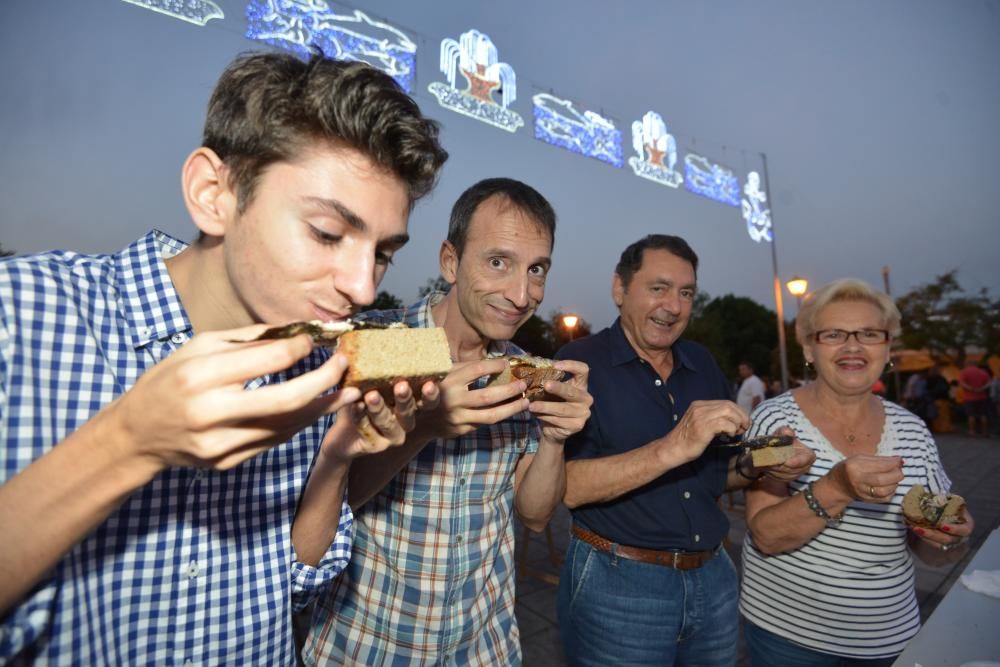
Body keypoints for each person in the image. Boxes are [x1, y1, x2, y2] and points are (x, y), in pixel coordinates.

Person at [0, 52, 449, 664]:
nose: (364, 289)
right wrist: (131, 442)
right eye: (326, 233)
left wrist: (338, 452)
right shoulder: (21, 312)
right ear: (215, 194)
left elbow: (297, 585)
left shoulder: (320, 365)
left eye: (382, 253)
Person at [303, 178, 593, 665]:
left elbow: (536, 514)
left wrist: (554, 439)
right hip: (368, 646)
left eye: (536, 270)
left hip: (483, 647)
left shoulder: (521, 368)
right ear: (451, 261)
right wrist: (426, 426)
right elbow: (327, 505)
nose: (521, 294)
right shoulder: (384, 344)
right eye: (498, 262)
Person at [555, 234, 814, 666]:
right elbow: (564, 489)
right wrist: (672, 446)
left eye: (686, 292)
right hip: (619, 583)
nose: (673, 306)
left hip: (714, 577)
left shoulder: (702, 362)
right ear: (619, 289)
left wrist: (768, 460)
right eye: (658, 288)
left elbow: (717, 473)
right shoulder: (578, 363)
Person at [739, 278, 975, 666]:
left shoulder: (914, 431)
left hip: (888, 638)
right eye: (834, 334)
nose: (853, 346)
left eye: (869, 333)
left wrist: (947, 538)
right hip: (790, 637)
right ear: (810, 350)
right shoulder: (773, 419)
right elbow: (766, 536)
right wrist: (837, 487)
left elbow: (933, 552)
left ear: (887, 349)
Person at [959, 358, 991, 437]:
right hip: (982, 396)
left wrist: (970, 388)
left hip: (969, 397)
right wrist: (982, 388)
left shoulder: (964, 372)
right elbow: (989, 383)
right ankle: (984, 432)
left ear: (968, 364)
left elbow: (962, 383)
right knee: (983, 414)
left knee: (971, 415)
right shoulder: (983, 372)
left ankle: (972, 431)